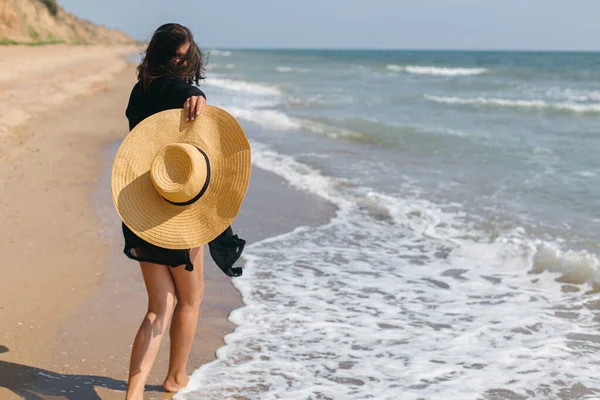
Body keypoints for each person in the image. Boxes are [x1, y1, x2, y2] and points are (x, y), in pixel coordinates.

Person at [116, 23, 248, 399]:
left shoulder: (137, 94)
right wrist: (196, 93)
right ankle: (175, 378)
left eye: (183, 55)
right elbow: (181, 92)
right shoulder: (179, 90)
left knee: (159, 307)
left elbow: (162, 101)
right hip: (179, 214)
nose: (181, 61)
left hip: (144, 204)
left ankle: (134, 392)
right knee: (189, 300)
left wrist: (192, 93)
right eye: (180, 56)